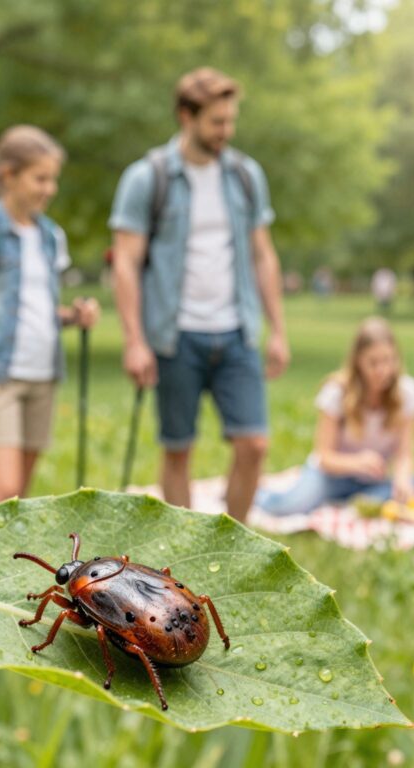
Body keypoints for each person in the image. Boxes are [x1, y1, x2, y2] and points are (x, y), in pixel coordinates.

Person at [109, 67, 289, 523]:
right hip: (175, 336)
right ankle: (182, 554)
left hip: (236, 330)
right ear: (186, 116)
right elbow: (125, 263)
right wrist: (134, 340)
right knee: (178, 450)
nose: (227, 131)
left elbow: (263, 255)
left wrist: (278, 330)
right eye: (216, 122)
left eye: (230, 120)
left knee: (254, 444)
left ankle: (234, 545)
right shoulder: (147, 178)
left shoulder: (245, 176)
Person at [0, 125, 100, 517]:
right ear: (9, 175)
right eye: (40, 178)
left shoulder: (50, 236)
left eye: (53, 179)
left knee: (19, 500)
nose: (50, 188)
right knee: (3, 489)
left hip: (43, 376)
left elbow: (38, 309)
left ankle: (4, 562)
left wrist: (74, 316)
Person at [257, 317, 414, 516]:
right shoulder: (336, 393)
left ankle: (356, 499)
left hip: (376, 481)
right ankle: (257, 491)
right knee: (288, 507)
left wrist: (403, 478)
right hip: (331, 476)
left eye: (388, 361)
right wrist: (357, 462)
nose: (382, 371)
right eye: (373, 363)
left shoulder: (407, 393)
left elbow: (405, 454)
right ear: (358, 361)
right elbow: (324, 456)